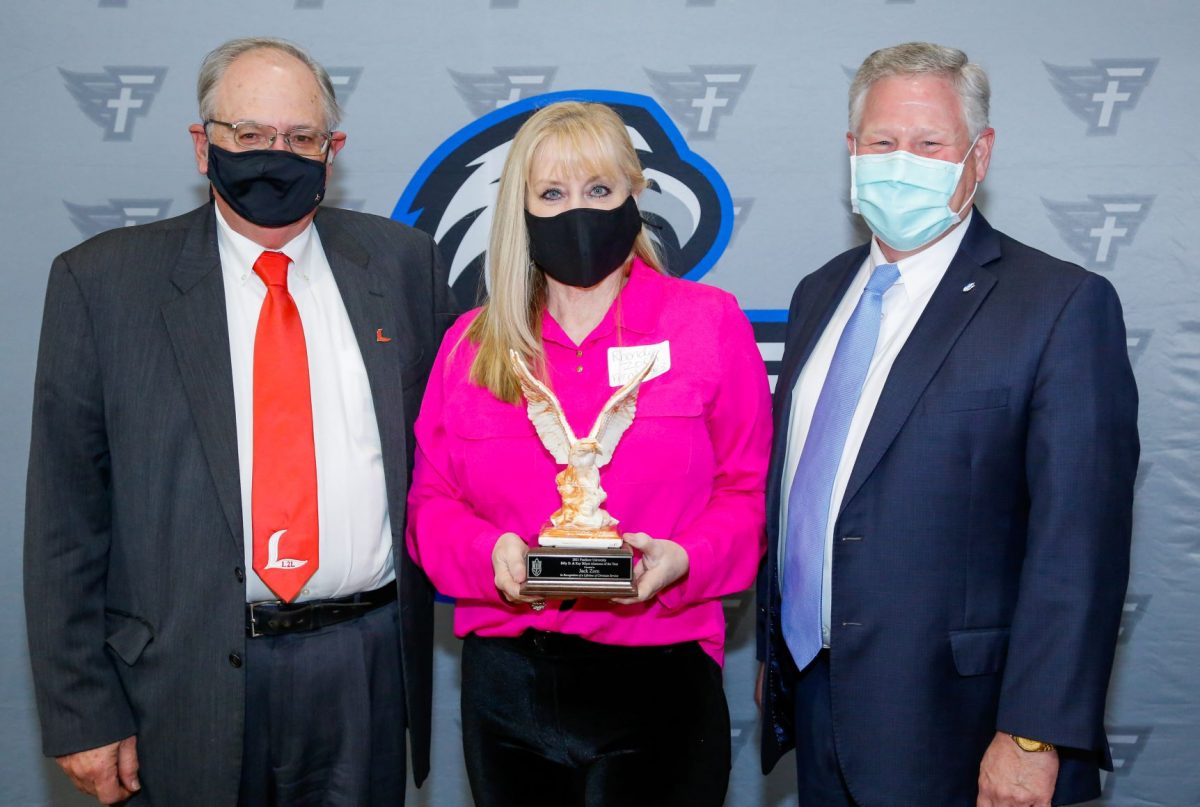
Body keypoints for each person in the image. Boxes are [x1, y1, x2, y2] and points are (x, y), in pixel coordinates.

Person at [24, 37, 453, 805]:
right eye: (248, 135)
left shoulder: (404, 266)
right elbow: (64, 519)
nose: (274, 155)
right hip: (182, 679)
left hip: (364, 668)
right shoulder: (103, 283)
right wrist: (79, 708)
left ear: (333, 150)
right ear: (202, 145)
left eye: (300, 138)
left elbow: (450, 460)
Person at [756, 42, 1139, 806]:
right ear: (851, 152)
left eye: (930, 144)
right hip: (818, 702)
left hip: (968, 730)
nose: (904, 161)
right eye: (883, 142)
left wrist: (1033, 735)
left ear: (979, 154)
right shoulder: (818, 295)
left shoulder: (1059, 306)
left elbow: (1079, 546)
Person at [406, 100, 771, 806]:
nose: (579, 210)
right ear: (522, 210)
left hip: (660, 673)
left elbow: (745, 493)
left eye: (600, 189)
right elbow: (431, 503)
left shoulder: (708, 324)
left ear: (635, 195)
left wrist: (684, 558)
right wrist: (491, 557)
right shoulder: (470, 345)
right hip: (506, 687)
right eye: (553, 193)